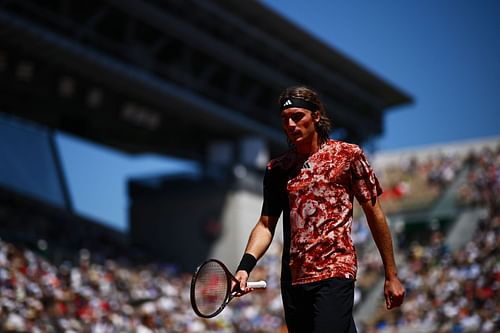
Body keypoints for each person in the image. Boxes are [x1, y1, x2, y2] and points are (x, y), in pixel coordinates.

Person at [234, 85, 405, 333]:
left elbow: (374, 213)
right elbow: (265, 226)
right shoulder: (278, 169)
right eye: (285, 119)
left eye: (297, 117)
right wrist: (244, 268)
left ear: (315, 116)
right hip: (293, 281)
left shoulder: (348, 156)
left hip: (335, 270)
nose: (291, 125)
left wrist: (391, 275)